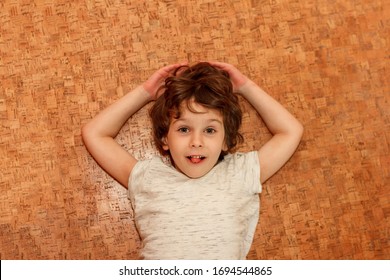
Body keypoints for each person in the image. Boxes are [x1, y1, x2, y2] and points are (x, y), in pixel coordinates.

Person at [82, 61, 303, 259]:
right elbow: (95, 133)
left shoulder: (240, 173)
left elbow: (290, 131)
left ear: (226, 140)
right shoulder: (148, 177)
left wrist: (245, 87)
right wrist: (146, 92)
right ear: (164, 138)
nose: (196, 141)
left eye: (209, 130)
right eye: (184, 129)